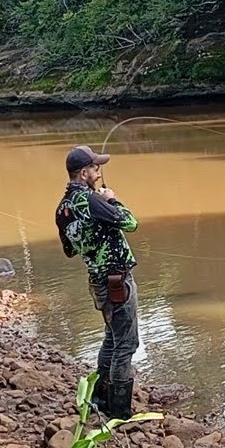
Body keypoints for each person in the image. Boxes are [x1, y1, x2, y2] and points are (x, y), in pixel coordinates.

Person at [55, 145, 141, 419]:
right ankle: (119, 411)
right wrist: (112, 200)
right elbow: (130, 223)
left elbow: (69, 251)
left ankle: (98, 398)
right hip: (117, 280)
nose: (99, 172)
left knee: (112, 338)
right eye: (95, 168)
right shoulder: (92, 201)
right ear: (84, 173)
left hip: (97, 280)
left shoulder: (62, 209)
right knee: (126, 344)